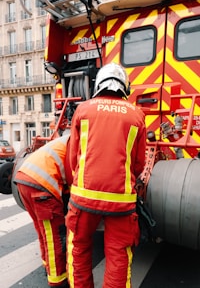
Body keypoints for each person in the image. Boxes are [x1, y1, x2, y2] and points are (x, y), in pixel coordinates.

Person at [66, 63, 146, 288]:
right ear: (124, 87)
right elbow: (139, 164)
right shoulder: (136, 115)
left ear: (98, 84)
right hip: (121, 202)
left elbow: (74, 157)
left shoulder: (83, 110)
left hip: (83, 198)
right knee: (119, 254)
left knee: (79, 248)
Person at [14, 135, 72, 288]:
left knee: (43, 230)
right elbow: (74, 177)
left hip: (23, 179)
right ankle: (58, 280)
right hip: (42, 187)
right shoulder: (77, 144)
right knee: (56, 236)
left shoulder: (65, 140)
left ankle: (47, 264)